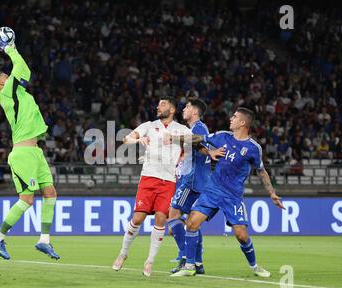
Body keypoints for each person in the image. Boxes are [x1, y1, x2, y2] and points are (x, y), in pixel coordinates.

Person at [170, 108, 284, 277]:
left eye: (235, 117)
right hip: (212, 190)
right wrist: (175, 138)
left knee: (241, 235)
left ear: (243, 123)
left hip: (233, 196)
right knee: (192, 223)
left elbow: (261, 171)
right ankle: (190, 266)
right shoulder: (223, 136)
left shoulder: (253, 148)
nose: (231, 118)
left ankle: (255, 266)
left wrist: (272, 193)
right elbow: (198, 139)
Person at [0, 28, 60, 260]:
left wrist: (12, 48)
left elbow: (24, 72)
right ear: (0, 86)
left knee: (50, 193)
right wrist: (9, 48)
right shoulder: (6, 95)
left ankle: (44, 240)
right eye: (3, 79)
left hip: (36, 153)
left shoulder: (22, 94)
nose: (8, 79)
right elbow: (20, 67)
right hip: (22, 154)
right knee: (27, 199)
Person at [112, 97, 192, 277]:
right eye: (158, 104)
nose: (158, 106)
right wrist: (138, 140)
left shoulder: (181, 129)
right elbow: (126, 139)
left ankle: (149, 261)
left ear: (172, 109)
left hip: (168, 181)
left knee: (161, 219)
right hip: (148, 178)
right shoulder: (149, 125)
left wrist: (181, 158)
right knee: (138, 218)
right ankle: (123, 253)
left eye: (162, 104)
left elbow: (193, 144)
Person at [167, 98, 225, 274]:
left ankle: (185, 256)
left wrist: (171, 137)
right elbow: (198, 147)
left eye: (186, 107)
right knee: (193, 221)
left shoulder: (198, 128)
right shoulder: (199, 129)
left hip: (192, 180)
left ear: (194, 111)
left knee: (173, 216)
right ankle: (197, 263)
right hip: (200, 179)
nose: (183, 109)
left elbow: (196, 144)